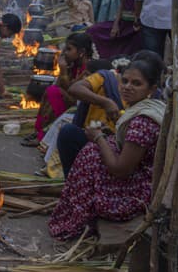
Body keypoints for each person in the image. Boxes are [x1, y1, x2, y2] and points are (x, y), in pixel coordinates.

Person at [49, 54, 166, 240]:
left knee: (84, 147)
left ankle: (81, 209)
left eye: (136, 84)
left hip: (135, 191)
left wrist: (99, 138)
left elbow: (120, 170)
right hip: (138, 178)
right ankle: (75, 200)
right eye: (125, 81)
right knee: (71, 135)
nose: (127, 87)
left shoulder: (143, 120)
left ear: (151, 89)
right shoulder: (143, 108)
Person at [25, 33, 92, 146]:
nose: (65, 52)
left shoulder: (88, 68)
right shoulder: (75, 64)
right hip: (71, 99)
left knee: (54, 92)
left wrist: (64, 70)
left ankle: (43, 136)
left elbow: (72, 90)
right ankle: (40, 132)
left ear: (82, 52)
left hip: (82, 105)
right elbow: (60, 84)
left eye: (69, 49)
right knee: (52, 90)